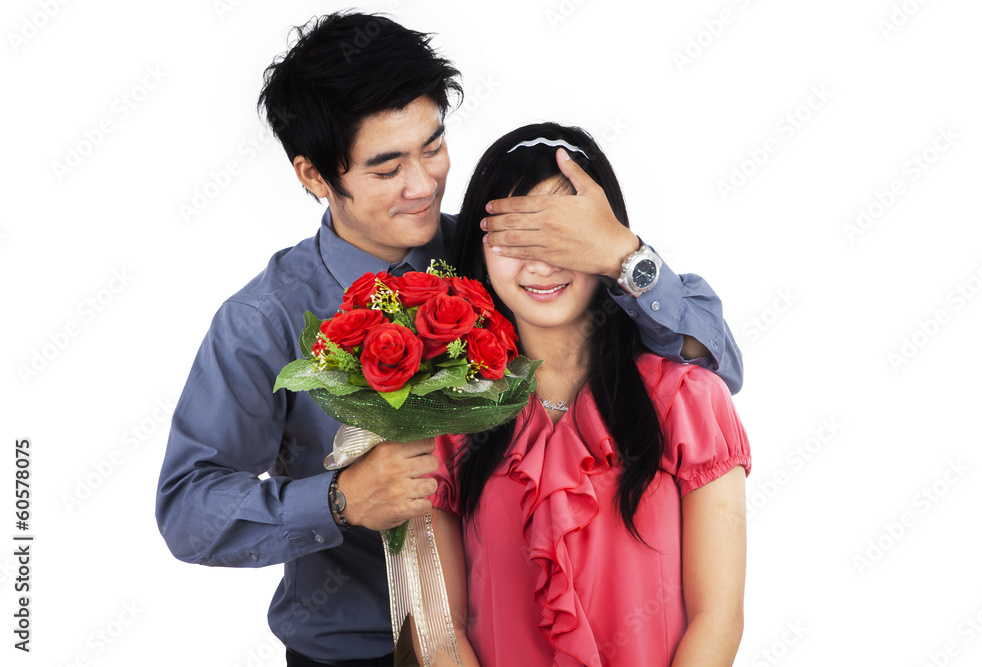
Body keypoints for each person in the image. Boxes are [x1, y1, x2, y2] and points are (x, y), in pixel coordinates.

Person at [154, 12, 744, 667]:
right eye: (386, 168)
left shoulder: (506, 255)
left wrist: (624, 255)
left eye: (432, 147)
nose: (423, 184)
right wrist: (341, 499)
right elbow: (187, 509)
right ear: (315, 176)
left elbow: (712, 364)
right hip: (358, 650)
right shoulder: (263, 320)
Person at [426, 123, 751, 666]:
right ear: (479, 252)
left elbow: (719, 617)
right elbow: (442, 630)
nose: (541, 261)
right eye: (517, 235)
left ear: (605, 242)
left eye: (564, 234)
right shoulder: (449, 412)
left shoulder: (689, 398)